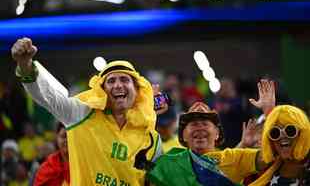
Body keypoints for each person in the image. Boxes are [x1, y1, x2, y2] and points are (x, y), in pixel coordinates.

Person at [11, 37, 164, 186]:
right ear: (102, 91)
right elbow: (48, 97)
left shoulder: (151, 137)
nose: (118, 85)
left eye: (124, 79)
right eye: (111, 81)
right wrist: (25, 66)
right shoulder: (81, 113)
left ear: (137, 89)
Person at [147, 79, 275, 186]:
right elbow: (136, 162)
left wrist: (270, 113)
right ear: (184, 135)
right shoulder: (168, 163)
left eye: (205, 123)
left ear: (217, 133)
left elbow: (269, 156)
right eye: (194, 124)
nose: (199, 128)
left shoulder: (233, 158)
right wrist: (148, 112)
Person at [249, 105, 310, 186]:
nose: (282, 136)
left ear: (302, 134)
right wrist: (243, 144)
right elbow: (227, 173)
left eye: (290, 130)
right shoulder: (267, 166)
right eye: (275, 132)